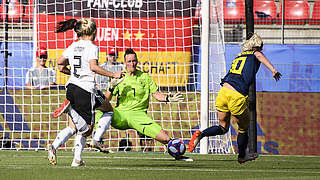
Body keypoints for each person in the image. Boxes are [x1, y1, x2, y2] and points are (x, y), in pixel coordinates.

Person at [188, 33, 282, 164]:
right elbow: (259, 55)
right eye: (261, 47)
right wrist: (273, 70)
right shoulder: (254, 54)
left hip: (223, 92)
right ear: (257, 46)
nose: (261, 50)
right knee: (243, 128)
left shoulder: (239, 56)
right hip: (236, 95)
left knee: (223, 127)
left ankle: (202, 134)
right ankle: (242, 156)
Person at [47, 18, 123, 167]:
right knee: (94, 123)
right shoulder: (92, 47)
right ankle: (95, 139)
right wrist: (113, 75)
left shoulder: (73, 46)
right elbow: (93, 67)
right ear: (94, 32)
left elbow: (60, 64)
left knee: (73, 127)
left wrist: (73, 73)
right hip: (86, 89)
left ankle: (66, 153)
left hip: (71, 87)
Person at [101, 48, 192, 161]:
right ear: (125, 62)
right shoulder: (119, 77)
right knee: (99, 108)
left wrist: (168, 98)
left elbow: (157, 94)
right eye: (129, 61)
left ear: (137, 61)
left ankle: (178, 155)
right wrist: (111, 87)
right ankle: (95, 137)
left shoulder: (145, 77)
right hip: (121, 116)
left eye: (134, 61)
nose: (132, 63)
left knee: (165, 137)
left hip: (139, 116)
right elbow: (105, 101)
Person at [89, 48, 124, 150]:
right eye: (110, 54)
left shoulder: (120, 67)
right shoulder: (102, 68)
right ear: (107, 55)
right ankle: (97, 140)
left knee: (109, 116)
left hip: (115, 94)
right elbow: (98, 84)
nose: (112, 57)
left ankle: (97, 139)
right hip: (103, 94)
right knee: (99, 117)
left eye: (114, 55)